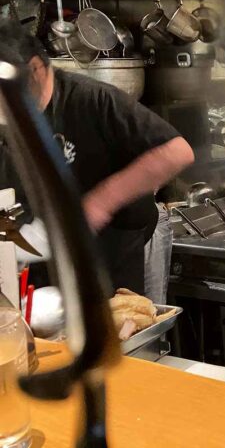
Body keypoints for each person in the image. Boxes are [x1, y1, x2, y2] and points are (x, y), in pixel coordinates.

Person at [0, 20, 194, 294]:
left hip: (110, 260)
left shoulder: (92, 99)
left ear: (34, 69)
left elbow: (177, 152)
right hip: (41, 266)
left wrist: (99, 203)